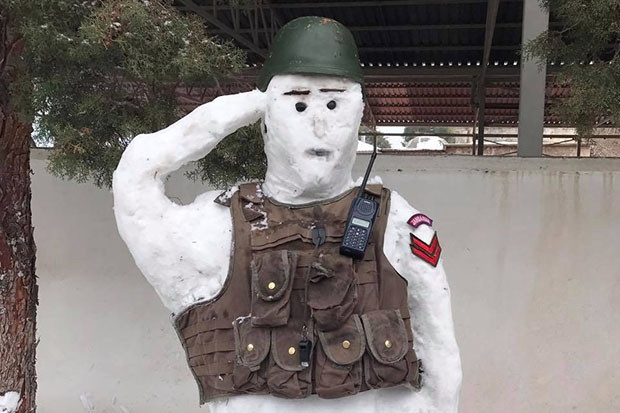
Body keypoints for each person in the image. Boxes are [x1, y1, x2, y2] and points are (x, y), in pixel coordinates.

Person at [113, 16, 461, 413]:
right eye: (297, 103)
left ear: (359, 113)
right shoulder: (218, 227)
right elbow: (135, 185)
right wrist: (224, 114)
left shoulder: (398, 223)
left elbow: (441, 356)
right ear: (267, 116)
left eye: (334, 103)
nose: (318, 124)